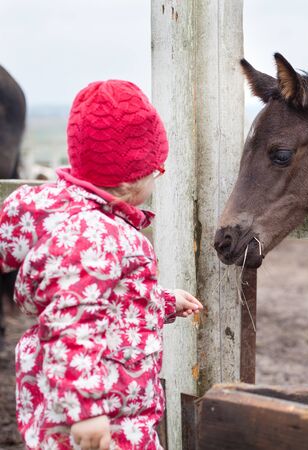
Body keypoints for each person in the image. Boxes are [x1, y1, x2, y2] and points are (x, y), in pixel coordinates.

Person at [0, 80, 203, 449]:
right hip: (105, 421)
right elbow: (73, 318)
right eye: (155, 171)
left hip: (91, 408)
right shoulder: (95, 238)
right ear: (132, 180)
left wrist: (163, 302)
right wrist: (85, 411)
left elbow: (105, 300)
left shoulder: (61, 215)